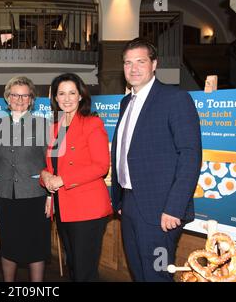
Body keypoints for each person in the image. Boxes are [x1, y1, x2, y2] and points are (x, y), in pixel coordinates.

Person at [111, 38, 202, 282]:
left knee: (158, 275)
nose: (133, 68)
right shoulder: (125, 103)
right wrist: (120, 198)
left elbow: (190, 156)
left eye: (140, 61)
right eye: (128, 63)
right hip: (129, 204)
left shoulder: (175, 99)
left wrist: (174, 208)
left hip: (162, 211)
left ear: (154, 64)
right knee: (140, 273)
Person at [41, 73, 112, 281]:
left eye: (72, 92)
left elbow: (100, 166)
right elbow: (48, 166)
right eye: (61, 93)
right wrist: (45, 176)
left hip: (87, 208)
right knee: (73, 266)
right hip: (63, 207)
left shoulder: (92, 124)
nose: (67, 98)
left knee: (84, 271)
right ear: (55, 98)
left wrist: (62, 179)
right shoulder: (54, 128)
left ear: (81, 95)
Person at [0, 76, 51, 282]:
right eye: (14, 95)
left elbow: (52, 163)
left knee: (35, 246)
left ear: (31, 99)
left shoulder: (43, 125)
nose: (19, 99)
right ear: (7, 98)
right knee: (9, 245)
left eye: (24, 95)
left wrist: (50, 196)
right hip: (5, 196)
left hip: (36, 195)